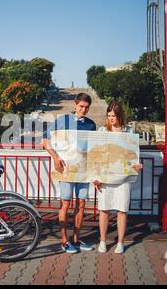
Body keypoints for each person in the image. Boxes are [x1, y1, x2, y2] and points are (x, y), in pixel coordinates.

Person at [42, 93, 96, 253]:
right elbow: (45, 141)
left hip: (83, 170)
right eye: (81, 106)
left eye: (86, 107)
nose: (83, 110)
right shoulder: (62, 120)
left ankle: (76, 239)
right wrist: (55, 158)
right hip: (66, 169)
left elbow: (94, 148)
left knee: (81, 203)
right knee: (65, 203)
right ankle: (64, 240)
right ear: (75, 104)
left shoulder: (91, 125)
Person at [93, 101, 143, 254]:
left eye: (113, 116)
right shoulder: (102, 130)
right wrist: (95, 176)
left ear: (120, 115)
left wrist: (137, 165)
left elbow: (134, 154)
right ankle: (102, 240)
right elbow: (96, 154)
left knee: (122, 210)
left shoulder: (129, 132)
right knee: (104, 209)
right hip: (105, 177)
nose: (111, 119)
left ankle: (120, 242)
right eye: (109, 116)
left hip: (124, 177)